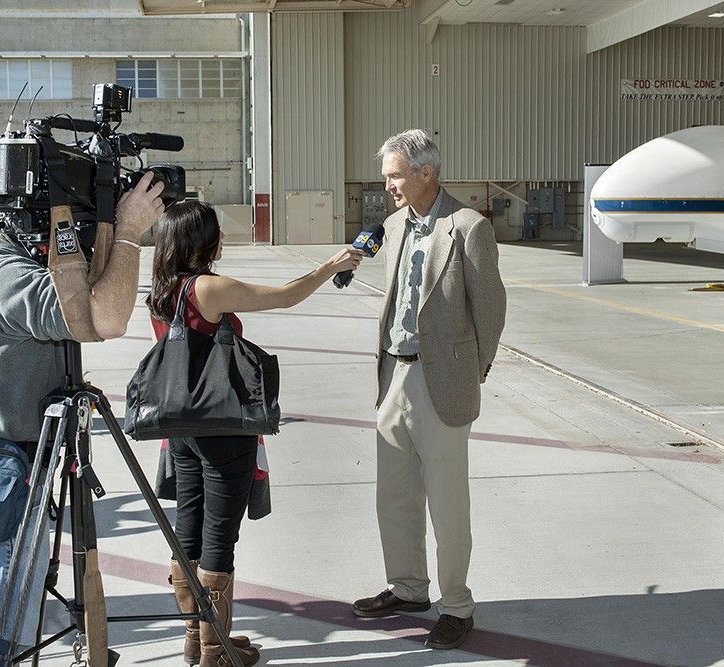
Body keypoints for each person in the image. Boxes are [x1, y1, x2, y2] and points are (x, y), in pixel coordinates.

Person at [0, 172, 165, 665]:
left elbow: (84, 292)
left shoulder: (1, 255)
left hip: (14, 461)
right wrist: (127, 232)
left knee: (12, 605)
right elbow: (104, 318)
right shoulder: (8, 275)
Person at [147, 200, 364, 667]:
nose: (221, 239)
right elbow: (285, 295)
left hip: (182, 428)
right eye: (215, 232)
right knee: (219, 533)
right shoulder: (207, 287)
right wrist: (333, 264)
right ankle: (214, 651)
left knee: (189, 524)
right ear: (201, 240)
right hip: (222, 427)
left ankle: (198, 639)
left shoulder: (164, 290)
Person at [351, 129, 507, 650]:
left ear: (426, 173)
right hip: (394, 374)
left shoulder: (469, 227)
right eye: (387, 176)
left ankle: (456, 604)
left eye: (395, 175)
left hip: (441, 381)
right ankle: (409, 588)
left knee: (447, 503)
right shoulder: (393, 226)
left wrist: (471, 372)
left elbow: (490, 311)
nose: (388, 186)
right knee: (393, 496)